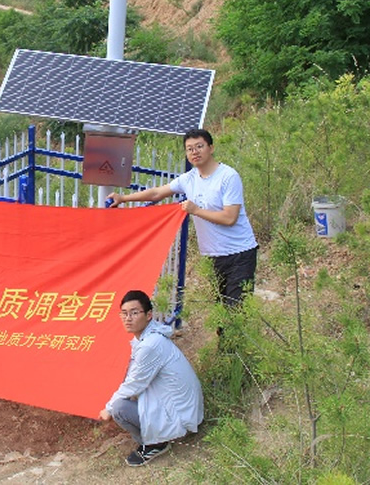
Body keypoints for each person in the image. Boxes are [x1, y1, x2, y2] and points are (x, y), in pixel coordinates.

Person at [108, 128, 258, 307]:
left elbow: (229, 218)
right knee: (220, 310)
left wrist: (195, 210)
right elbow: (157, 193)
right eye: (190, 149)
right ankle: (223, 336)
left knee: (236, 309)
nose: (195, 152)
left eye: (199, 146)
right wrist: (123, 198)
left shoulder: (228, 177)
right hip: (212, 255)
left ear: (211, 148)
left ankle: (234, 336)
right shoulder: (189, 179)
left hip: (239, 254)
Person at [99, 290, 204, 467]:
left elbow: (135, 384)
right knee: (127, 392)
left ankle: (155, 443)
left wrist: (108, 408)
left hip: (180, 418)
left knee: (119, 408)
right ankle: (157, 433)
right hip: (184, 409)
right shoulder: (150, 336)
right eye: (124, 313)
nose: (128, 318)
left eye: (134, 313)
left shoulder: (150, 345)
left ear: (149, 315)